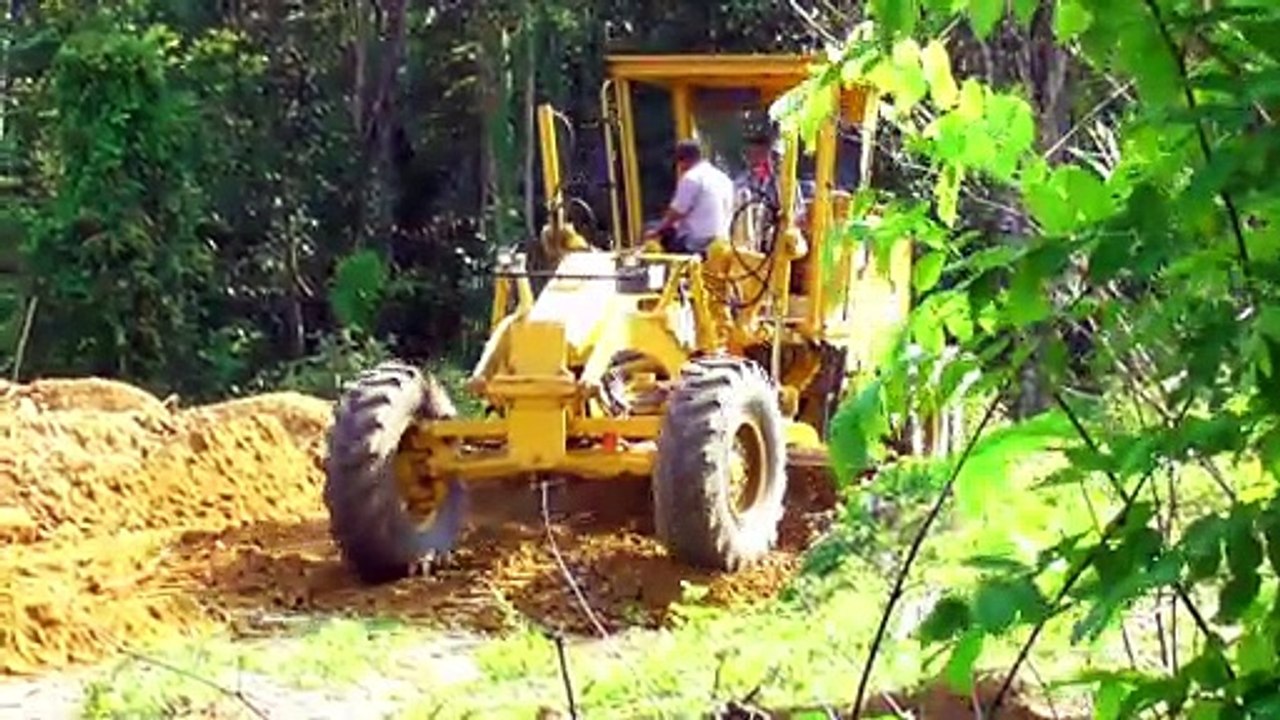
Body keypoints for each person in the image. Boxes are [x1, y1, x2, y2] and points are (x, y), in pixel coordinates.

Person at [647, 139, 735, 256]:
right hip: (722, 240)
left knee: (654, 238)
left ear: (684, 160)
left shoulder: (691, 178)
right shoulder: (723, 178)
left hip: (696, 243)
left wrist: (656, 231)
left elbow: (677, 212)